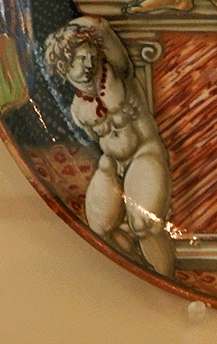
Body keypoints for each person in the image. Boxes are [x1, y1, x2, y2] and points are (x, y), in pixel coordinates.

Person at [44, 16, 175, 277]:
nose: (88, 65)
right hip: (112, 163)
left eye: (91, 57)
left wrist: (83, 26)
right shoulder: (77, 109)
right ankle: (141, 272)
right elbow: (96, 141)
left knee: (144, 222)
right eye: (80, 59)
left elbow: (102, 28)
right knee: (99, 229)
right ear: (63, 64)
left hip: (144, 152)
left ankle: (166, 278)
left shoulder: (116, 73)